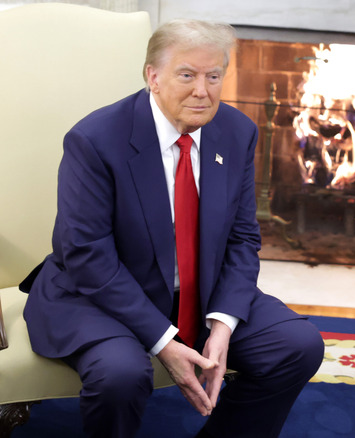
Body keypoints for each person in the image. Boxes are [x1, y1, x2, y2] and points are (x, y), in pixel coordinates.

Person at [20, 19, 324, 438]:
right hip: (99, 296)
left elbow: (241, 237)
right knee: (120, 375)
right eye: (187, 75)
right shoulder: (95, 139)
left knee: (298, 346)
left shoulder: (237, 132)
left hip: (197, 293)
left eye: (213, 76)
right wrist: (163, 340)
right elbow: (87, 255)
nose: (203, 90)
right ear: (154, 77)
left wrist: (222, 325)